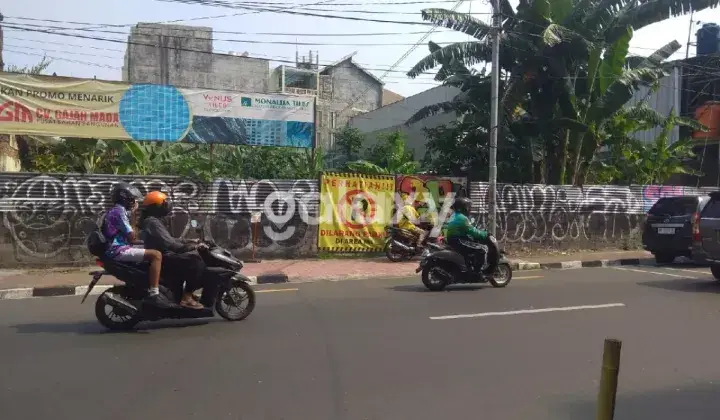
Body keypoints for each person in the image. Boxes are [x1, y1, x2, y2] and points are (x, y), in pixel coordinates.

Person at [102, 182, 174, 309]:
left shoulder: (117, 211)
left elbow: (131, 238)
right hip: (118, 250)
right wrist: (135, 214)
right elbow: (133, 236)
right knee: (156, 255)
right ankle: (154, 293)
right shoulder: (119, 212)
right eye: (132, 199)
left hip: (118, 248)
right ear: (125, 198)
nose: (135, 202)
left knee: (152, 249)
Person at [139, 191, 207, 309]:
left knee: (189, 258)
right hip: (165, 256)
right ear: (158, 207)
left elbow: (170, 240)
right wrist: (191, 247)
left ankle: (180, 294)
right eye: (165, 203)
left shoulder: (154, 220)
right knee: (196, 260)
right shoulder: (152, 222)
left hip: (164, 254)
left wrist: (190, 241)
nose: (168, 206)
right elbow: (170, 244)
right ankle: (187, 298)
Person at [445, 197, 489, 272]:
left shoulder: (454, 216)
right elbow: (473, 231)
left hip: (453, 239)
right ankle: (477, 271)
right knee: (482, 249)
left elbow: (467, 228)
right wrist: (484, 234)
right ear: (462, 208)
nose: (469, 209)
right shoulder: (462, 218)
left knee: (472, 247)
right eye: (468, 207)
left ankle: (469, 265)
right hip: (458, 240)